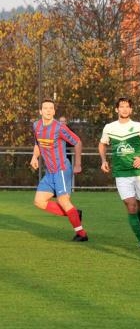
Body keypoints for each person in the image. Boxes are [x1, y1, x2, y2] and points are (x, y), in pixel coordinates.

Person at [98, 98, 140, 250]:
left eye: (127, 107)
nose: (124, 109)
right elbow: (102, 144)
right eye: (121, 107)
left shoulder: (139, 126)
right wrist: (103, 160)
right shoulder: (109, 127)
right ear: (116, 109)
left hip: (139, 172)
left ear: (131, 110)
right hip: (121, 173)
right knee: (131, 206)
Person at [30, 99, 87, 242]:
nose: (48, 110)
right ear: (40, 111)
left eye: (51, 108)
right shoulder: (36, 126)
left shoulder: (59, 127)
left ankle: (82, 234)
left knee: (63, 200)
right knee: (39, 201)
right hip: (50, 172)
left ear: (54, 111)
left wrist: (78, 164)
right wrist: (34, 157)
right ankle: (73, 213)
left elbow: (77, 142)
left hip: (62, 169)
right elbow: (38, 144)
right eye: (45, 108)